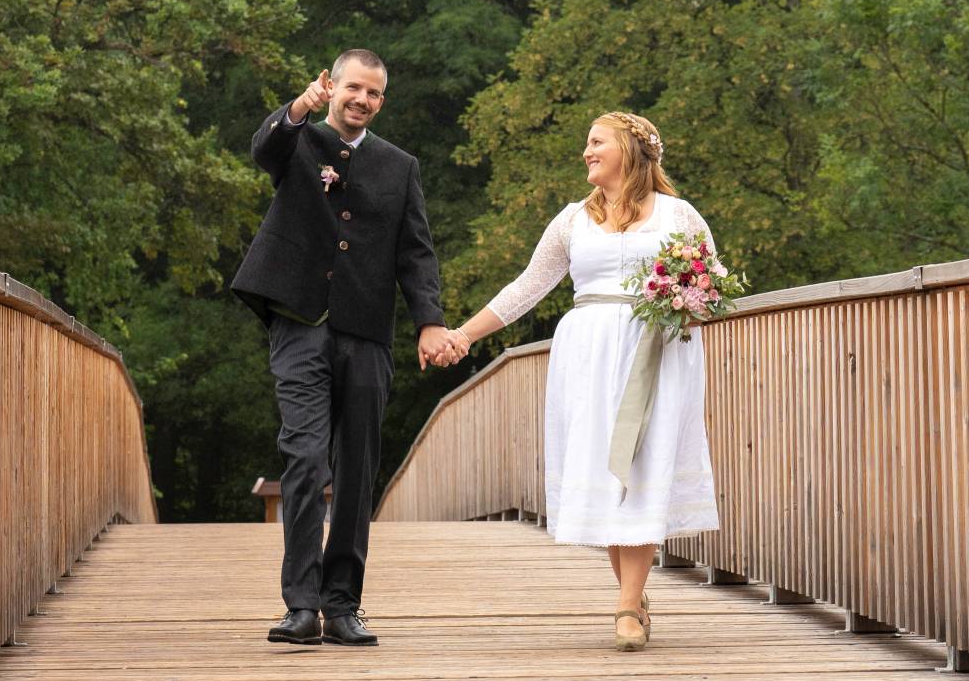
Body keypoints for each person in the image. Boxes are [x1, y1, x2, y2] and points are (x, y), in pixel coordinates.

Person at [443, 111, 720, 650]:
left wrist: (687, 305)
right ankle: (633, 597)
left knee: (642, 465)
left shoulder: (678, 215)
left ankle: (627, 605)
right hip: (588, 358)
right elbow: (528, 287)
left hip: (656, 354)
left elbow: (712, 287)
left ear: (630, 150)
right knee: (605, 468)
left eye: (597, 142)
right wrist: (464, 335)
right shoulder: (573, 220)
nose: (586, 152)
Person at [232, 48, 455, 647]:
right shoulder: (299, 139)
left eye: (374, 93)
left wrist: (429, 322)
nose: (363, 100)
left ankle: (342, 605)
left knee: (356, 468)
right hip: (299, 323)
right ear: (331, 86)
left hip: (367, 330)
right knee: (305, 458)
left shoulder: (400, 167)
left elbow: (416, 253)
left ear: (382, 100)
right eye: (354, 88)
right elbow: (264, 150)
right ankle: (301, 605)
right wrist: (296, 109)